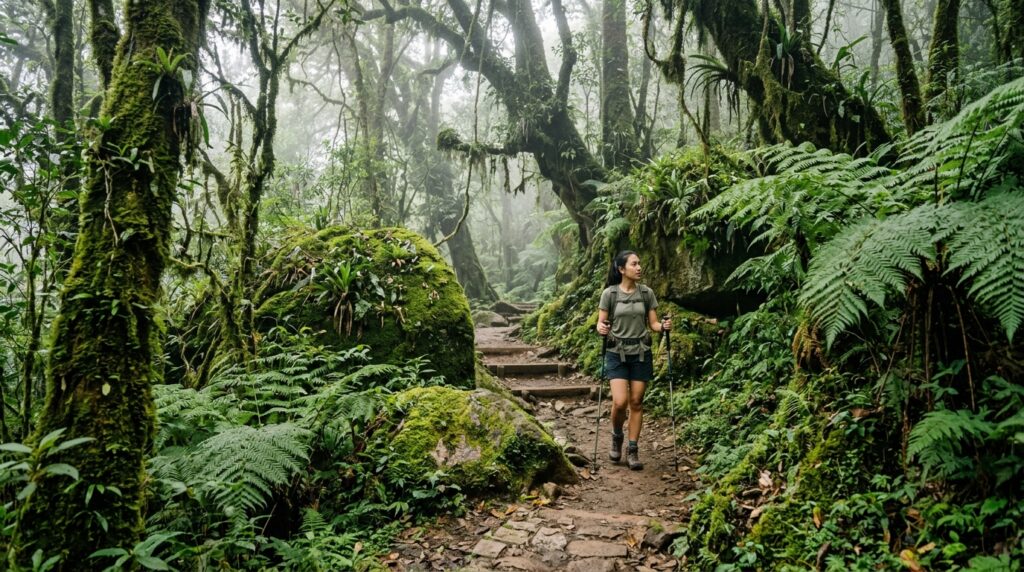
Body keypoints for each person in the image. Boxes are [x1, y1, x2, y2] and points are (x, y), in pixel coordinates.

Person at [596, 250, 671, 470]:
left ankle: (632, 450)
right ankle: (617, 436)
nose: (639, 268)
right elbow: (601, 322)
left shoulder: (646, 293)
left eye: (639, 263)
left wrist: (663, 327)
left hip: (641, 353)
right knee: (620, 402)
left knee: (636, 402)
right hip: (616, 353)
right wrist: (601, 328)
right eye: (634, 264)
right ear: (621, 269)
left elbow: (653, 324)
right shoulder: (609, 294)